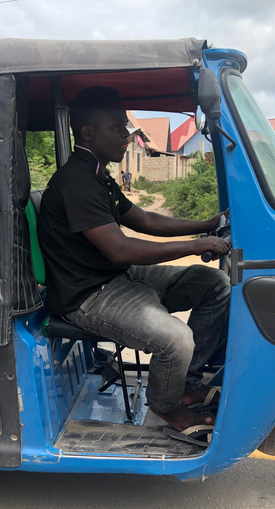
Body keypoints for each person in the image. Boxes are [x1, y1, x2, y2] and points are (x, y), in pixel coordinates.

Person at [37, 86, 231, 433]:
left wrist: (207, 225)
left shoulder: (99, 176)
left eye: (126, 128)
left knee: (214, 285)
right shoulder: (76, 183)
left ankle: (182, 384)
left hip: (115, 277)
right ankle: (165, 405)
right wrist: (195, 246)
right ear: (87, 133)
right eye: (117, 128)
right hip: (88, 295)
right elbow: (121, 249)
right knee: (176, 339)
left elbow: (145, 220)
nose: (127, 136)